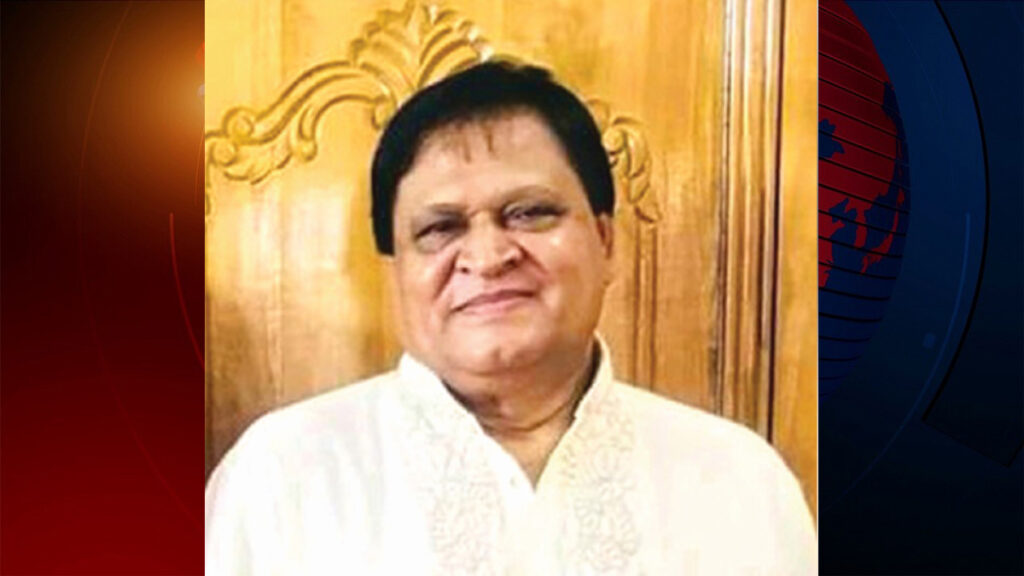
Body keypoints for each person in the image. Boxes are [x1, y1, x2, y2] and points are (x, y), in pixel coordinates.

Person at [204, 61, 817, 575]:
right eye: (439, 228)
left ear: (606, 242)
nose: (488, 256)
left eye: (528, 213)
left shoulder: (738, 480)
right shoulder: (282, 476)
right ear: (396, 272)